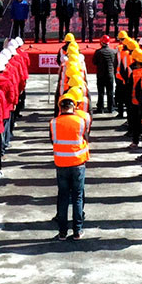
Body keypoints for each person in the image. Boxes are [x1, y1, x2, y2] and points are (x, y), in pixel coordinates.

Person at [50, 94, 90, 240]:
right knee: (77, 197)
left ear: (60, 107)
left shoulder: (54, 122)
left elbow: (53, 140)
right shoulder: (80, 121)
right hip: (78, 163)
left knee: (63, 197)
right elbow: (86, 138)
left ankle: (62, 232)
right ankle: (77, 231)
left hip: (61, 164)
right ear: (74, 106)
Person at [91, 35, 116, 113]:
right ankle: (110, 108)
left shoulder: (98, 52)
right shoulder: (113, 52)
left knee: (101, 92)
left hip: (101, 75)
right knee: (110, 91)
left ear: (101, 43)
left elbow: (94, 62)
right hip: (110, 74)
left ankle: (100, 108)